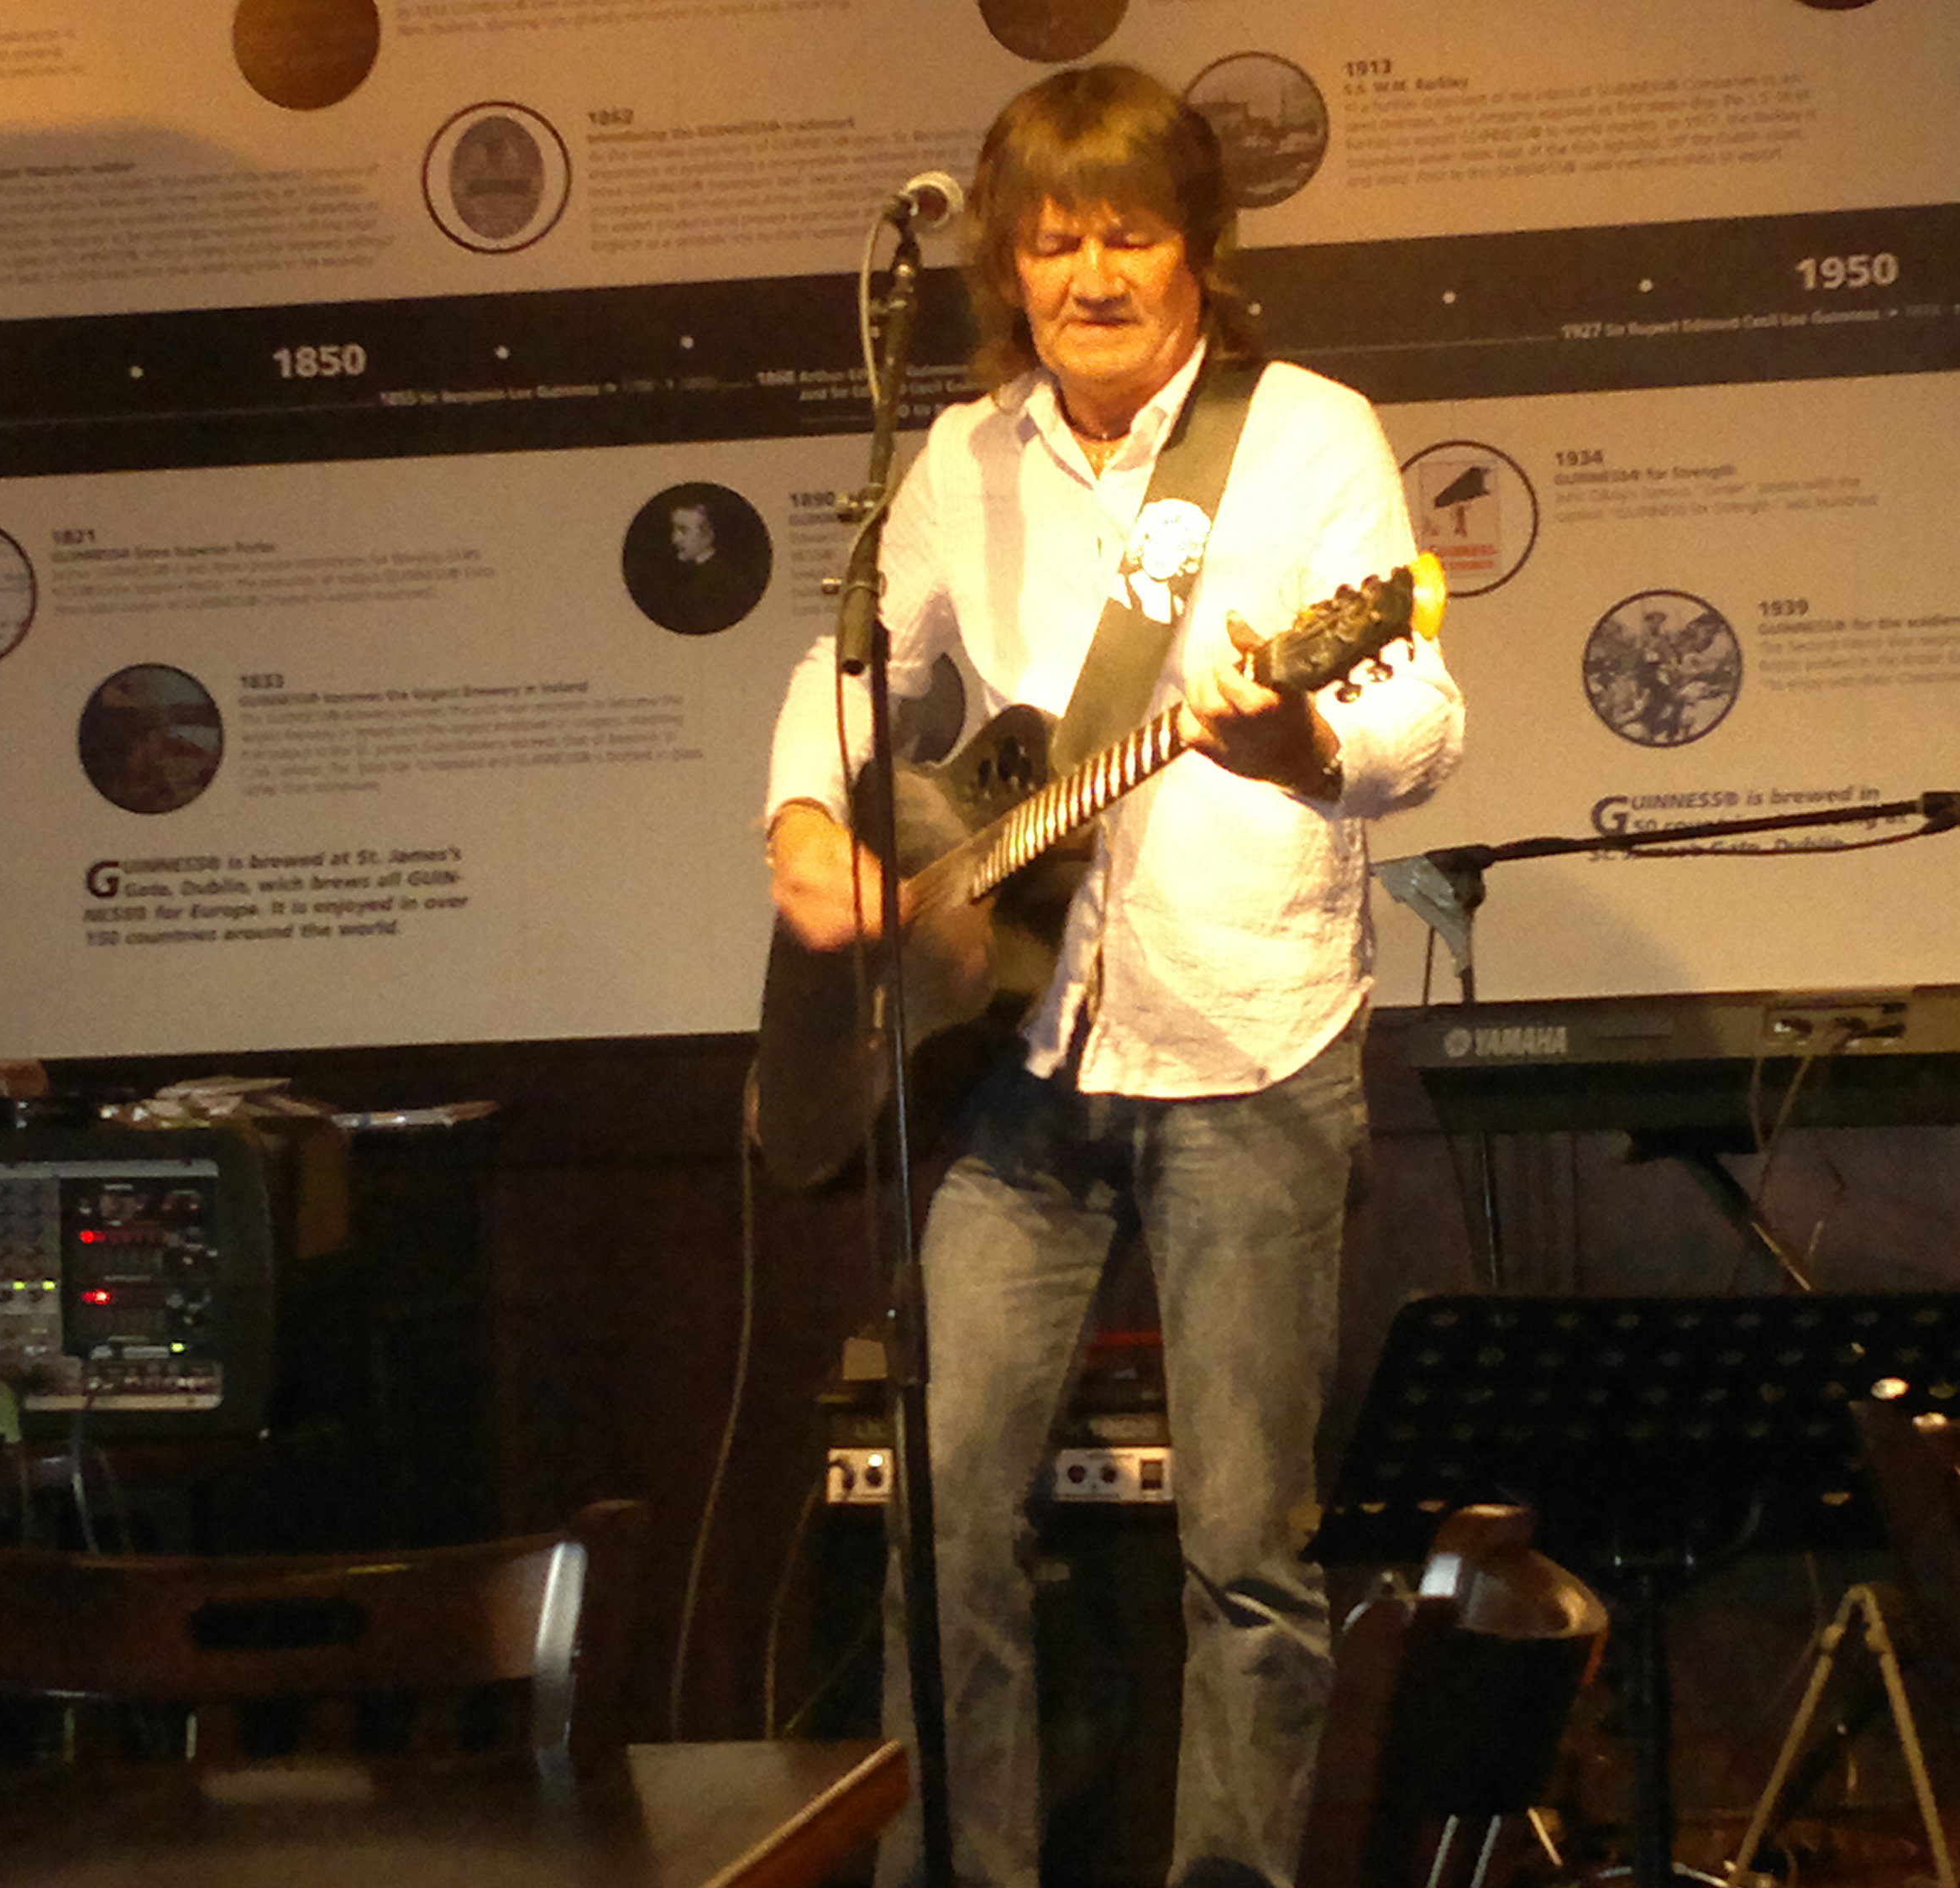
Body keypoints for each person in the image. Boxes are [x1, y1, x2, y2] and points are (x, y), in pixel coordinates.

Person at [760, 64, 1463, 1888]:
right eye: (1053, 241)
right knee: (940, 1518)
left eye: (1128, 235)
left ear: (1199, 246)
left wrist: (1303, 740)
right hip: (1015, 1053)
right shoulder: (961, 458)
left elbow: (1418, 709)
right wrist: (803, 815)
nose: (1089, 275)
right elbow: (849, 669)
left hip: (1248, 1046)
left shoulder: (1303, 435)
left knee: (1248, 1553)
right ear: (1005, 264)